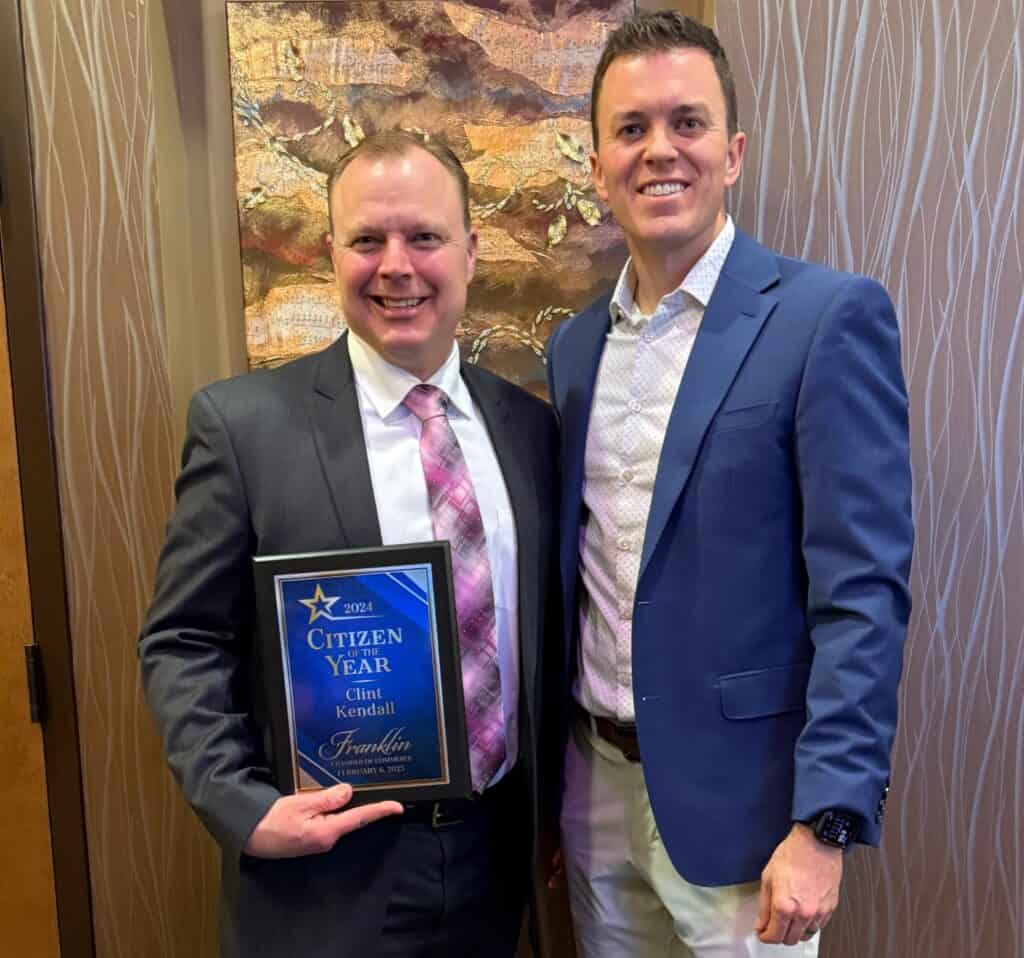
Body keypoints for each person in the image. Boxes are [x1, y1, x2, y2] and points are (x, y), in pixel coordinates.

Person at [140, 130, 560, 958]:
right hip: (323, 879)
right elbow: (181, 642)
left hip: (496, 863)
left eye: (424, 237)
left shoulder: (529, 429)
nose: (395, 266)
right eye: (367, 240)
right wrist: (241, 807)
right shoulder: (245, 428)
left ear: (471, 252)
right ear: (332, 255)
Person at [545, 11, 913, 956]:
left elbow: (862, 593)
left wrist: (826, 822)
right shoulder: (576, 348)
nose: (659, 150)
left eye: (687, 123)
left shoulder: (827, 318)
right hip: (596, 796)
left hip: (750, 819)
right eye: (630, 129)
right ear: (597, 165)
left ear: (734, 151)